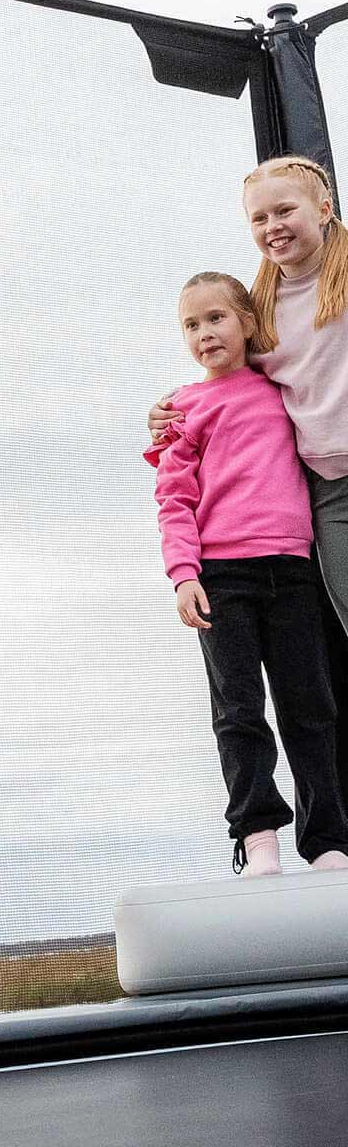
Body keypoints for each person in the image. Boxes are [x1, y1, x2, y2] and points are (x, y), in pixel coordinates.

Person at [147, 270, 348, 874]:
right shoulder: (183, 409)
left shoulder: (282, 389)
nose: (205, 332)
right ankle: (257, 835)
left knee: (310, 708)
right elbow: (173, 498)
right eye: (191, 324)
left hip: (291, 573)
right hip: (221, 580)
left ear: (248, 324)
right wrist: (184, 574)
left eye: (217, 318)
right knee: (238, 710)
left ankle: (329, 843)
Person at [150, 156, 348, 622]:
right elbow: (231, 382)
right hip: (327, 487)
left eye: (284, 210)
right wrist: (170, 411)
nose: (272, 226)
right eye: (259, 218)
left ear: (323, 209)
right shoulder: (260, 308)